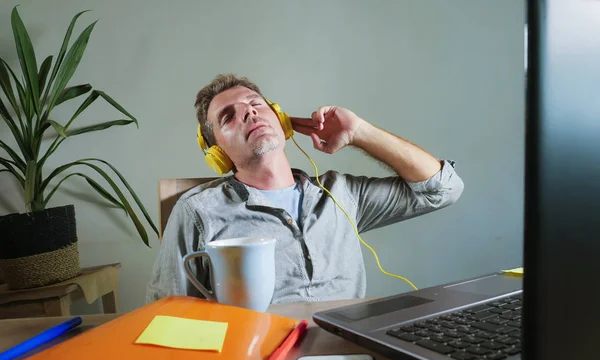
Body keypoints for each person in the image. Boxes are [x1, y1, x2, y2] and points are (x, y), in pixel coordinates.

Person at [146, 73, 464, 304]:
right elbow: (167, 310)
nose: (248, 111)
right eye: (229, 116)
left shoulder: (341, 194)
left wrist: (360, 132)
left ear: (281, 121)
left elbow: (444, 189)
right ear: (217, 154)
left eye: (255, 103)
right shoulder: (197, 211)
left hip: (349, 352)